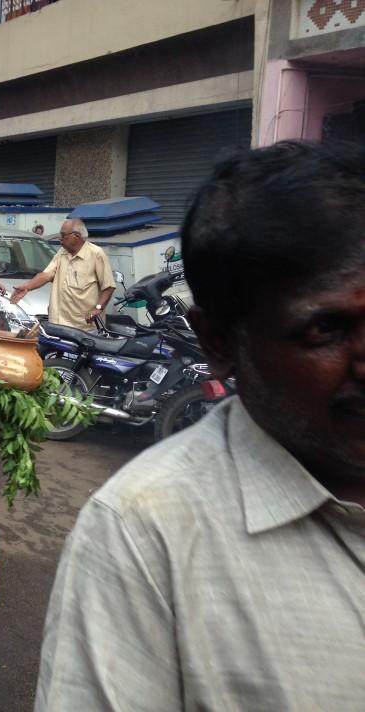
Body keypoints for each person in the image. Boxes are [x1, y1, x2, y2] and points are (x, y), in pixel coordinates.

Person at [34, 141, 365, 711]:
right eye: (326, 330)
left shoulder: (96, 257)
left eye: (69, 235)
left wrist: (100, 306)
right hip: (68, 329)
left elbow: (113, 289)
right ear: (219, 342)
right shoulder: (143, 535)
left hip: (93, 320)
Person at [10, 218, 114, 328]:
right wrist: (27, 287)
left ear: (77, 236)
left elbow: (108, 286)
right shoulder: (62, 253)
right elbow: (47, 274)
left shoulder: (96, 254)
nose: (60, 239)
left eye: (64, 235)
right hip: (58, 324)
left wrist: (97, 308)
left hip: (83, 327)